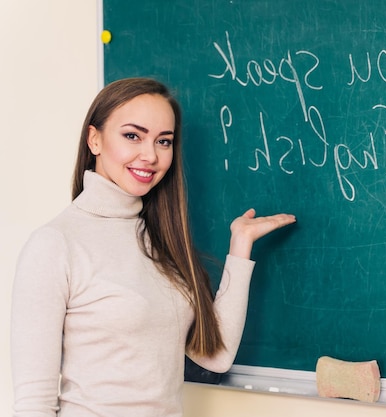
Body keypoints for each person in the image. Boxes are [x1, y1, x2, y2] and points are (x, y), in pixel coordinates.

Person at [10, 77, 296, 417]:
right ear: (94, 139)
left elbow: (214, 357)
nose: (150, 155)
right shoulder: (55, 245)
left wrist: (240, 246)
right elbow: (33, 404)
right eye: (133, 135)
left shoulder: (163, 242)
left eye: (164, 141)